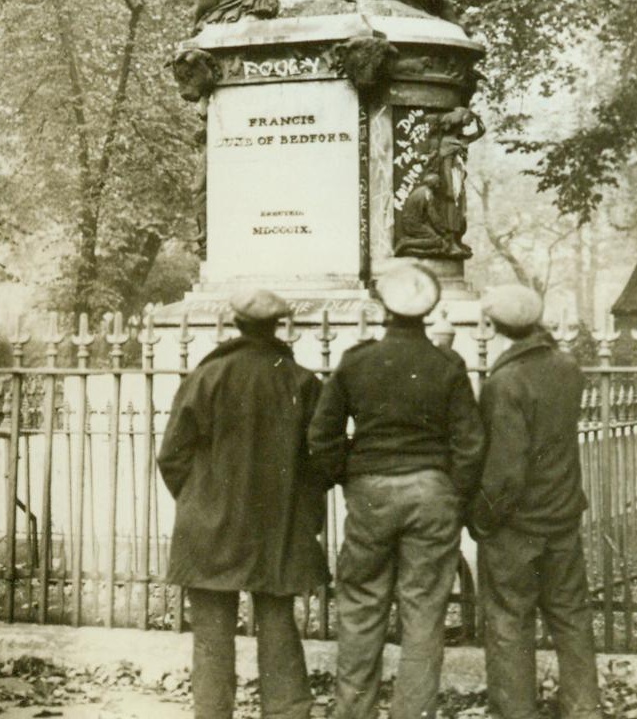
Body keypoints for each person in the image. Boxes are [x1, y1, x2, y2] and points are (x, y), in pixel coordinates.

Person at [308, 262, 485, 719]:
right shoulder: (447, 364)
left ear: (383, 306)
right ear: (429, 309)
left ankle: (353, 713)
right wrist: (454, 494)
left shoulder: (356, 360)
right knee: (424, 611)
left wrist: (348, 475)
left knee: (362, 606)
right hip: (432, 492)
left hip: (370, 492)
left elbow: (322, 437)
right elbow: (470, 443)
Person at [157, 289, 328, 719]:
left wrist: (201, 498)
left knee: (212, 634)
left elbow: (172, 455)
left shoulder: (205, 377)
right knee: (278, 623)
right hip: (278, 523)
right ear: (277, 326)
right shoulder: (303, 382)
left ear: (236, 323)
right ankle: (288, 712)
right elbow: (319, 463)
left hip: (211, 525)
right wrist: (301, 510)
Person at [469, 285, 602, 719]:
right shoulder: (567, 367)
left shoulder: (503, 383)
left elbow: (506, 471)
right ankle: (583, 709)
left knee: (509, 622)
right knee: (571, 617)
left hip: (518, 527)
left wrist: (482, 520)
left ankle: (515, 712)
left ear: (495, 326)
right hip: (562, 516)